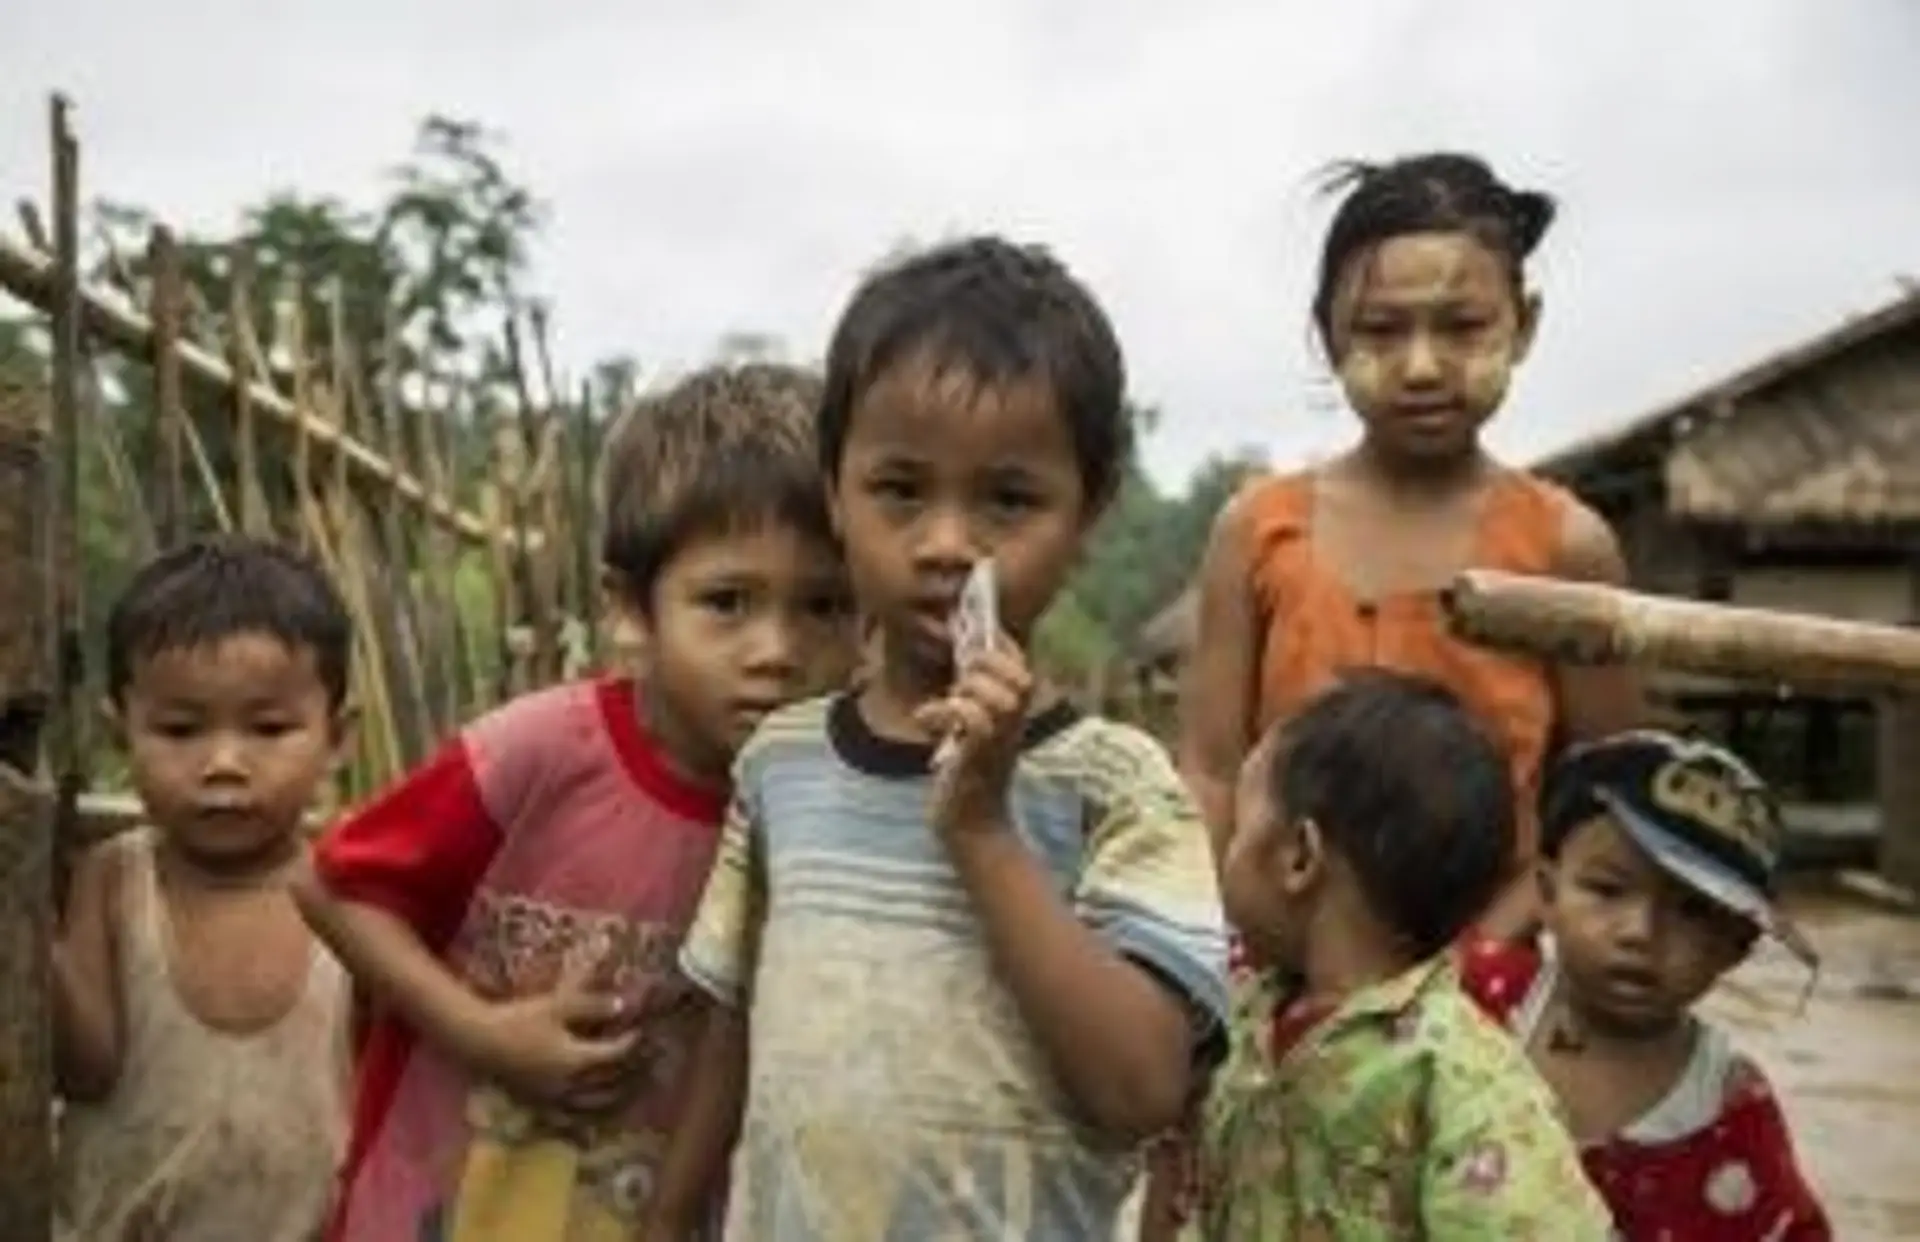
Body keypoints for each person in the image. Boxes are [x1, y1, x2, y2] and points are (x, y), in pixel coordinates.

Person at [645, 236, 1231, 1241]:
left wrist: (983, 832)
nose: (948, 543)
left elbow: (1141, 1089)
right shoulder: (782, 765)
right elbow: (735, 1026)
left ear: (1088, 515)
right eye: (901, 489)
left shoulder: (1119, 786)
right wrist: (664, 1225)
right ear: (836, 491)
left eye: (1008, 499)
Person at [295, 363, 860, 1242]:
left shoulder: (818, 812)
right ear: (631, 609)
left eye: (824, 606)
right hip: (438, 1209)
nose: (778, 650)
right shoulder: (539, 753)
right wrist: (484, 1034)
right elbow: (334, 890)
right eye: (727, 603)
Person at [1179, 152, 1643, 937]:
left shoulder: (1567, 548)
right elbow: (1212, 771)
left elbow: (1605, 800)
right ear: (1328, 336)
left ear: (1524, 325)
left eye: (1462, 327)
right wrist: (1209, 944)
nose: (1422, 366)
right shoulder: (1257, 531)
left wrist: (1476, 962)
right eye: (1381, 330)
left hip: (1486, 968)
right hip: (1280, 963)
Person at [1182, 670, 1613, 1240]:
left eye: (1239, 826)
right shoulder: (1245, 1018)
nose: (1226, 853)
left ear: (1299, 858)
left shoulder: (1458, 1080)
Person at [53, 535, 356, 1241]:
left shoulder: (353, 896)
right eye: (180, 729)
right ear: (121, 731)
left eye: (268, 728)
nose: (223, 762)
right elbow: (83, 1067)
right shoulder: (116, 879)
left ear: (337, 738)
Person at [1458, 729, 1831, 1240]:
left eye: (1692, 911)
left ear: (1736, 947)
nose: (1641, 932)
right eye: (1608, 890)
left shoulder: (1727, 1109)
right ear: (1546, 892)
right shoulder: (1475, 1003)